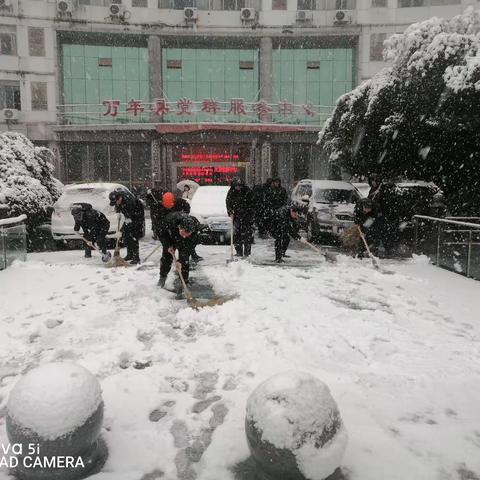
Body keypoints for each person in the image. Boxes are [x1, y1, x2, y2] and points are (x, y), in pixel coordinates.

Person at [157, 213, 198, 288]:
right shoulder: (170, 220)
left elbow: (188, 248)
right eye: (183, 233)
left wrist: (181, 261)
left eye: (187, 234)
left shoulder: (195, 228)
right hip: (170, 239)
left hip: (185, 243)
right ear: (180, 227)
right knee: (166, 258)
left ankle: (184, 282)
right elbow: (161, 233)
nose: (184, 236)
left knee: (184, 262)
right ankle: (162, 277)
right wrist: (168, 245)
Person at [109, 188, 145, 265]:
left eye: (116, 202)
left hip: (137, 218)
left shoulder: (129, 200)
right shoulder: (118, 197)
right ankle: (130, 255)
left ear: (120, 198)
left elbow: (132, 212)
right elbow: (118, 206)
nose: (116, 203)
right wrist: (118, 212)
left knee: (133, 237)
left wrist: (129, 218)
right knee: (127, 236)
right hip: (128, 218)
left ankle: (136, 258)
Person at [226, 178, 255, 257]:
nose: (238, 188)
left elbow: (252, 203)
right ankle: (239, 251)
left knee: (247, 235)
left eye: (239, 186)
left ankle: (247, 252)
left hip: (247, 216)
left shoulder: (247, 191)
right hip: (236, 216)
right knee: (236, 235)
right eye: (236, 186)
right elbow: (228, 202)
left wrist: (249, 212)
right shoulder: (231, 192)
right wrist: (230, 211)